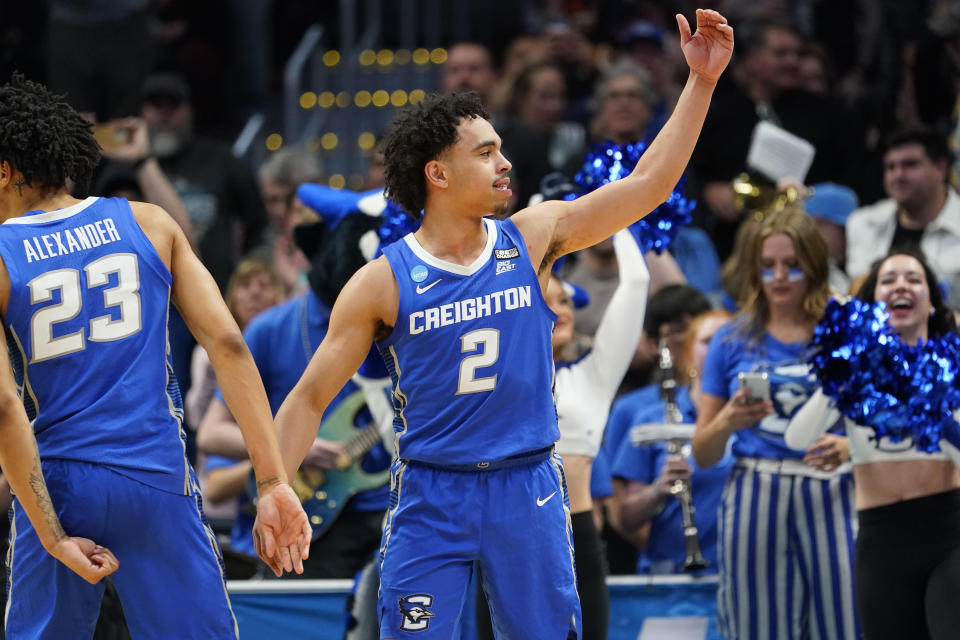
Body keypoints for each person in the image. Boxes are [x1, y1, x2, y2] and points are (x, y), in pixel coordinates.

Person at [264, 9, 734, 637]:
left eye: (500, 149)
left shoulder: (532, 235)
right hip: (432, 493)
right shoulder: (382, 280)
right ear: (438, 173)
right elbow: (307, 397)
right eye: (485, 153)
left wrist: (700, 83)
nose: (504, 162)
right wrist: (276, 487)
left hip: (529, 487)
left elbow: (647, 186)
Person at [0, 73, 309, 639]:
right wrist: (272, 481)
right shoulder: (147, 220)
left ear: (5, 170)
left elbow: (3, 408)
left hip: (60, 479)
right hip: (157, 475)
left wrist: (52, 536)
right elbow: (229, 344)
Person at [692, 207, 860, 640]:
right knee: (755, 627)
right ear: (754, 270)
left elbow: (880, 423)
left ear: (815, 265)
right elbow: (703, 453)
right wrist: (729, 419)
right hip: (756, 487)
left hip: (833, 487)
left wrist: (850, 449)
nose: (780, 277)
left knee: (846, 622)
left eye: (792, 265)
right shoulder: (730, 341)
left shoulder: (846, 333)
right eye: (768, 267)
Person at [786, 248, 960, 640]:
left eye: (914, 279)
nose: (901, 285)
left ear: (931, 303)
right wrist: (840, 382)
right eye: (888, 279)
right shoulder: (853, 376)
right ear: (872, 304)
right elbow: (796, 438)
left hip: (948, 536)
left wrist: (933, 413)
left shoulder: (953, 370)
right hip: (881, 543)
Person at [611, 309, 735, 575]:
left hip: (746, 573)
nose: (719, 349)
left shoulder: (759, 417)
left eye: (729, 341)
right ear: (688, 354)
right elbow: (626, 519)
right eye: (707, 341)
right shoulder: (651, 419)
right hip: (674, 585)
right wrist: (658, 489)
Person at [846, 126, 960, 305]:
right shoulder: (862, 223)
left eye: (910, 164)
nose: (898, 175)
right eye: (890, 167)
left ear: (941, 168)